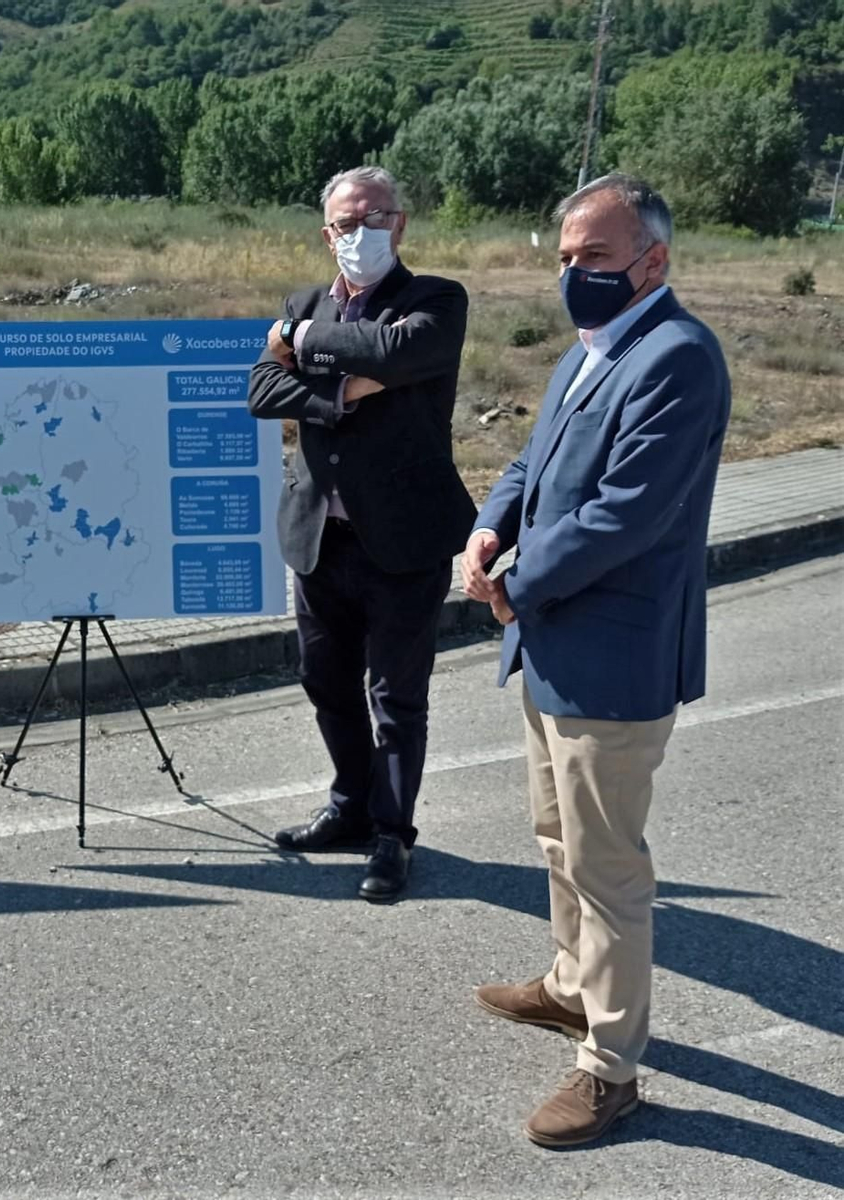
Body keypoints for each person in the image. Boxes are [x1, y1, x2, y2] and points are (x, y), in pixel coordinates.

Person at [462, 174, 730, 1147]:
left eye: (598, 260)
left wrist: (512, 581)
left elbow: (627, 512)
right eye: (568, 259)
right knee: (555, 835)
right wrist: (489, 534)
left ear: (653, 262)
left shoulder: (677, 357)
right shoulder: (595, 347)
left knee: (608, 867)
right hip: (546, 641)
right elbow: (534, 467)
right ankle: (570, 986)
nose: (575, 276)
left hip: (611, 654)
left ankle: (611, 1066)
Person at [248, 165, 477, 903]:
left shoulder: (437, 299)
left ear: (401, 224)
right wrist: (348, 383)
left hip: (404, 542)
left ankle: (391, 833)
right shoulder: (305, 297)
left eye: (377, 217)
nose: (362, 232)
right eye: (348, 222)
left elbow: (399, 355)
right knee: (325, 683)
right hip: (321, 537)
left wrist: (299, 344)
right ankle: (349, 806)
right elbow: (262, 390)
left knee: (396, 697)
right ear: (327, 233)